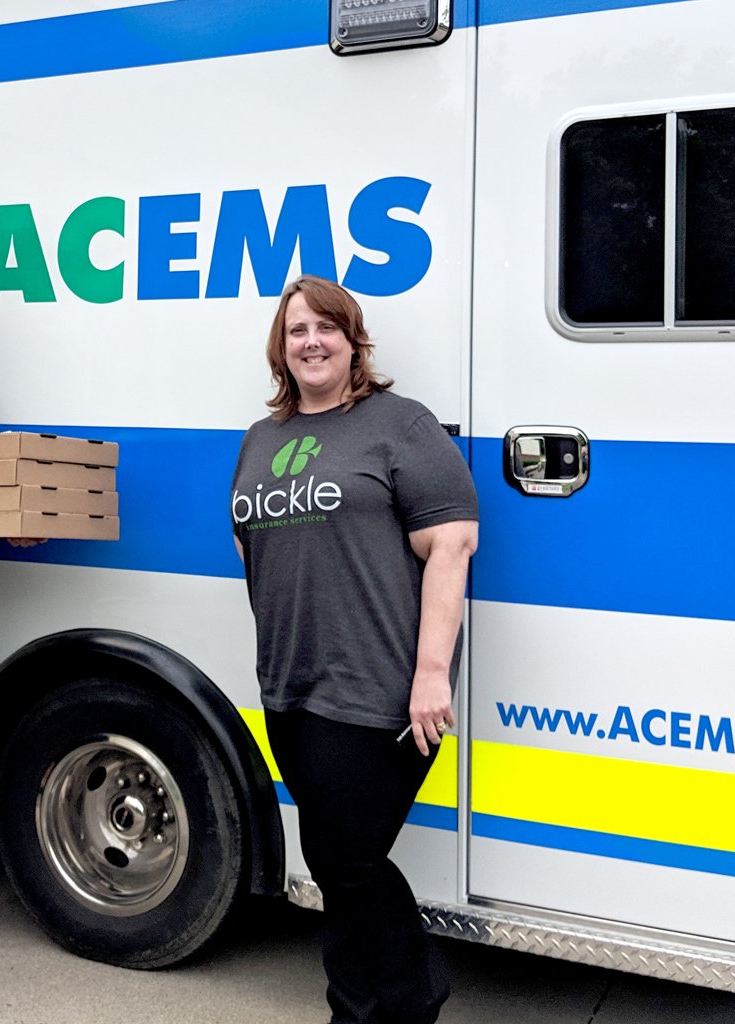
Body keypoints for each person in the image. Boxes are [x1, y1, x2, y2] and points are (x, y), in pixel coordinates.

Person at [230, 275, 478, 1024]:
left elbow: (453, 545)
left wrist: (431, 674)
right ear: (282, 347)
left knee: (347, 859)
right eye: (296, 330)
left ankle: (406, 998)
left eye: (325, 328)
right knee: (334, 860)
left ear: (353, 341)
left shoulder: (398, 424)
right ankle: (355, 1005)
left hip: (379, 686)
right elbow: (251, 544)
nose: (310, 341)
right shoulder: (260, 438)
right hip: (290, 686)